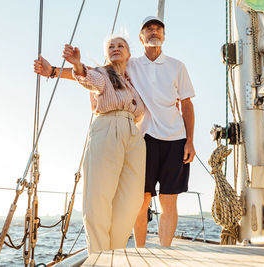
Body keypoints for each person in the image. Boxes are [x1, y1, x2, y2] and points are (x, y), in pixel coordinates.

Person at [34, 16, 195, 248]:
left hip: (161, 138)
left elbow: (187, 103)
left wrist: (189, 140)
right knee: (138, 200)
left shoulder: (171, 67)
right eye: (148, 30)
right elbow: (89, 74)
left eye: (158, 29)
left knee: (155, 200)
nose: (154, 32)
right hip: (141, 136)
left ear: (164, 36)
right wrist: (54, 72)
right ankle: (136, 251)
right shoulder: (122, 67)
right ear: (141, 38)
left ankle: (157, 250)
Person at [48, 36, 146, 254]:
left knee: (132, 200)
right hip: (108, 127)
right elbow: (89, 79)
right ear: (106, 54)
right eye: (111, 46)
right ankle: (101, 256)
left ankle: (116, 251)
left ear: (129, 54)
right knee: (99, 198)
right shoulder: (102, 73)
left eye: (121, 45)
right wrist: (76, 65)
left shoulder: (133, 81)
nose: (116, 49)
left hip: (134, 135)